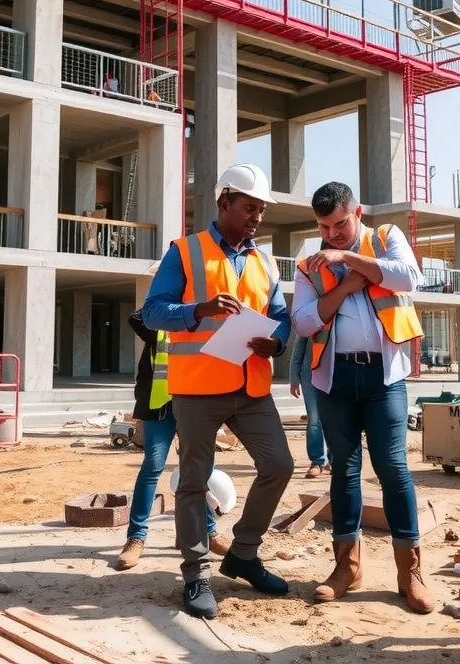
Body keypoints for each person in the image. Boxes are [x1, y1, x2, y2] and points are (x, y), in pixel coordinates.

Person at [142, 162, 294, 620]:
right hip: (199, 388)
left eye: (262, 210)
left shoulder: (264, 261)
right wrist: (198, 309)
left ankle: (243, 553)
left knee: (279, 465)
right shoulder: (185, 252)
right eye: (250, 207)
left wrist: (278, 340)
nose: (257, 217)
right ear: (224, 202)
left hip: (250, 385)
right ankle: (196, 574)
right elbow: (152, 312)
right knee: (193, 482)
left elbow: (281, 314)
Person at [291, 181, 434, 614]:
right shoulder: (307, 265)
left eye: (338, 224)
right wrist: (347, 285)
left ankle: (410, 573)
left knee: (393, 466)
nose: (330, 234)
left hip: (384, 376)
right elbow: (302, 321)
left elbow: (410, 277)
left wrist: (350, 259)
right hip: (334, 380)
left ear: (357, 213)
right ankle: (346, 567)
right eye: (323, 227)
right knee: (344, 471)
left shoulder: (387, 238)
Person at [114, 308, 231, 571]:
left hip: (195, 402)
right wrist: (164, 293)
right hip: (160, 405)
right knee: (152, 467)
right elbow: (135, 317)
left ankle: (206, 532)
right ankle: (136, 538)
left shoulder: (205, 320)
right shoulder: (157, 321)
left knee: (199, 470)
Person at [289, 334, 331, 478]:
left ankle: (334, 459)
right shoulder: (308, 318)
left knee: (335, 418)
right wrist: (294, 377)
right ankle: (317, 461)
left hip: (335, 375)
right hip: (310, 376)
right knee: (314, 419)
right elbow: (298, 351)